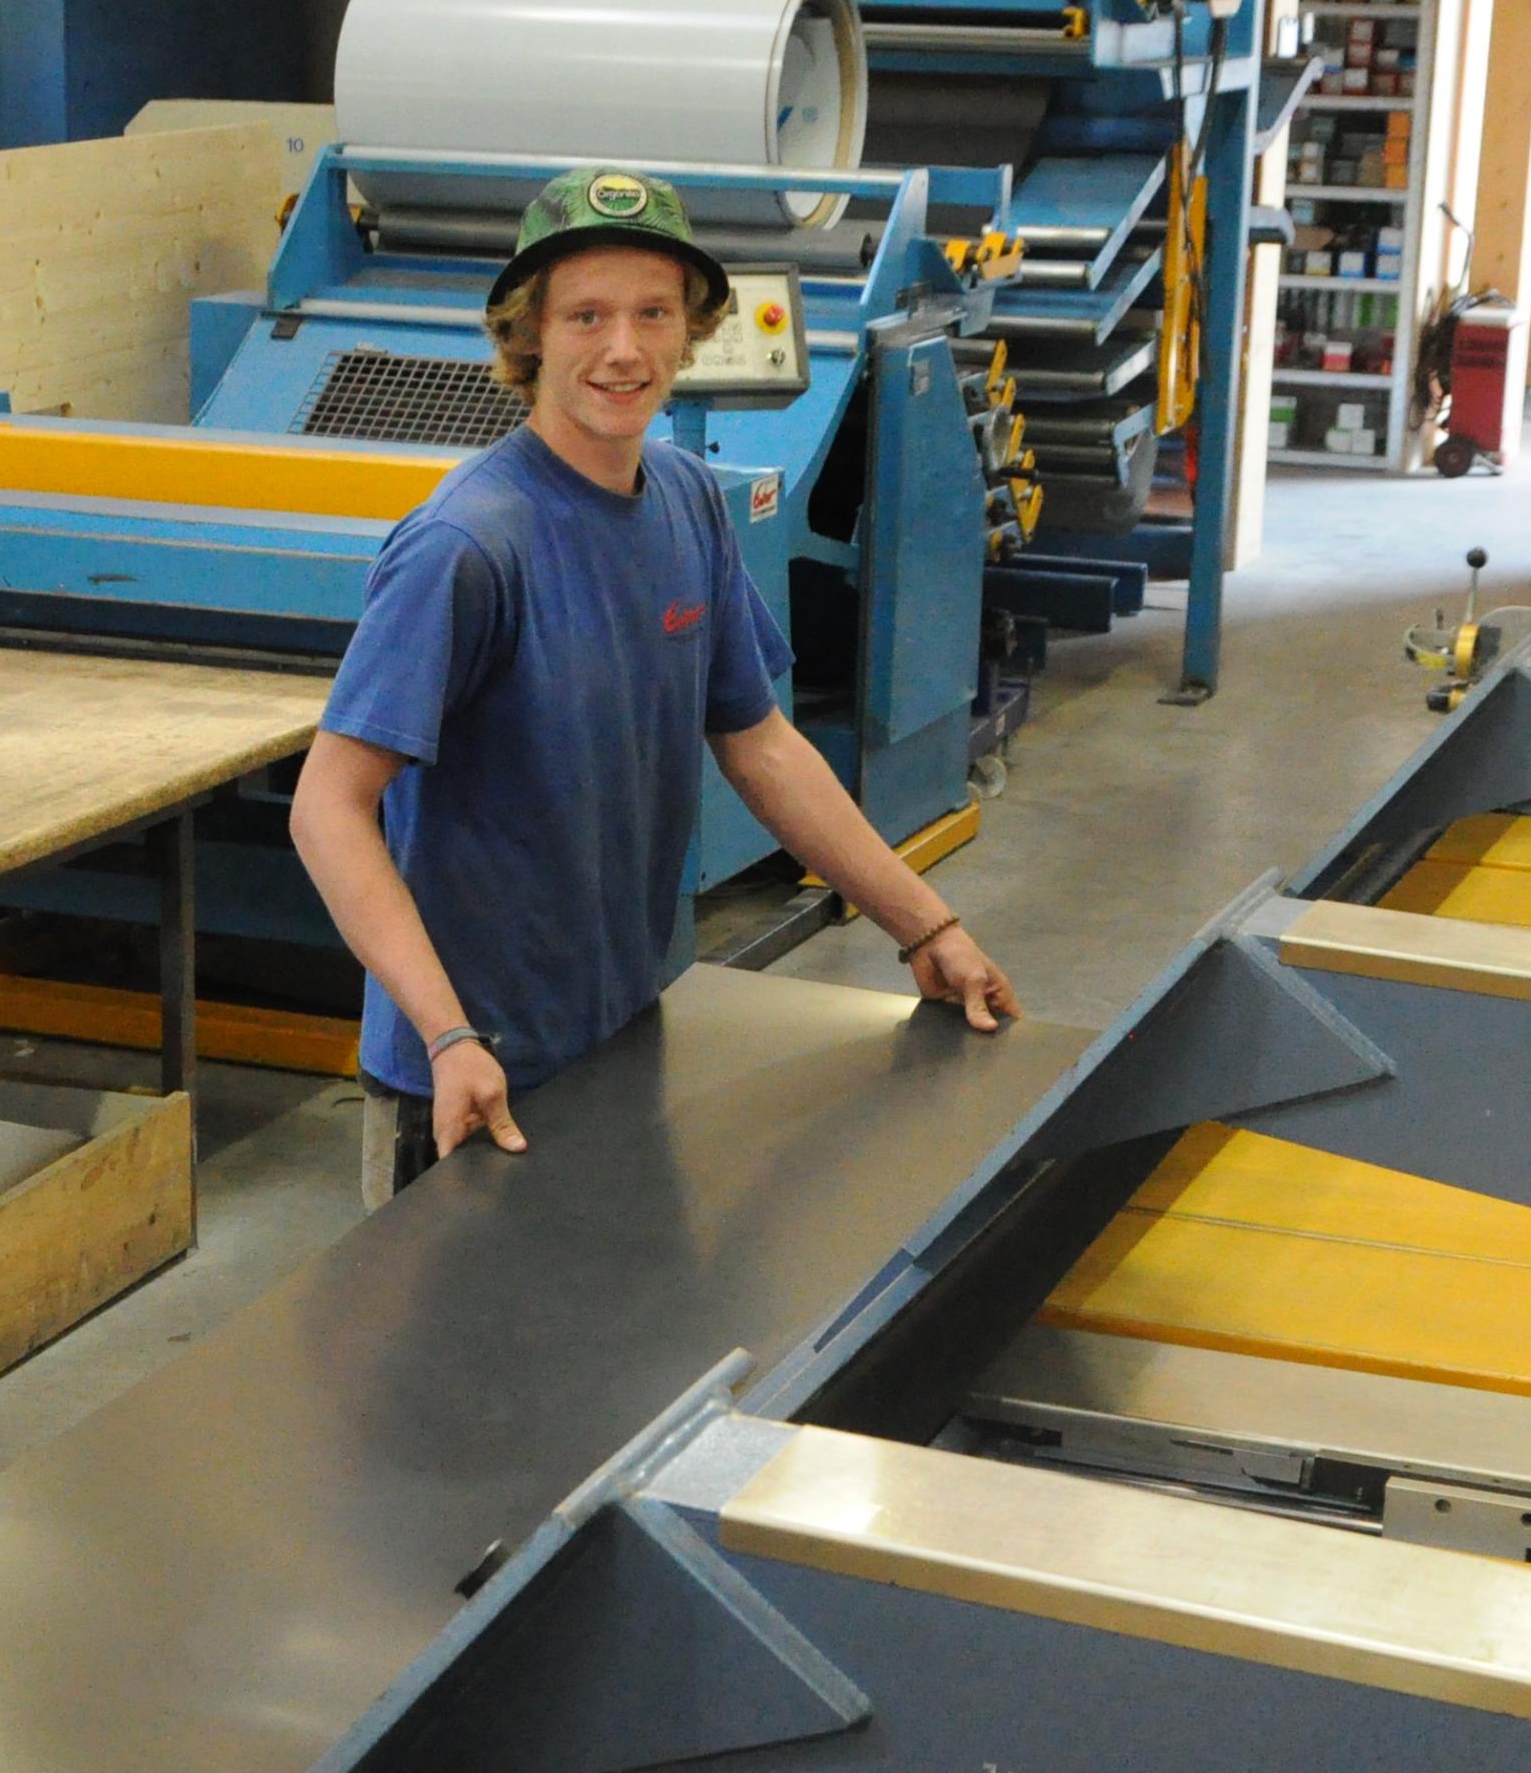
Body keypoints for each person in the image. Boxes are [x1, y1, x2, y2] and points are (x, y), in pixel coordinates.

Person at [288, 165, 1019, 1208]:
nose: (623, 349)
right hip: (469, 1073)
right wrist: (447, 1034)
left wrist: (925, 926)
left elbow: (759, 743)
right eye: (585, 315)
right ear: (529, 334)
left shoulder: (685, 499)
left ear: (692, 332)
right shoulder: (468, 545)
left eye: (653, 314)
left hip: (622, 1036)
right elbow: (327, 808)